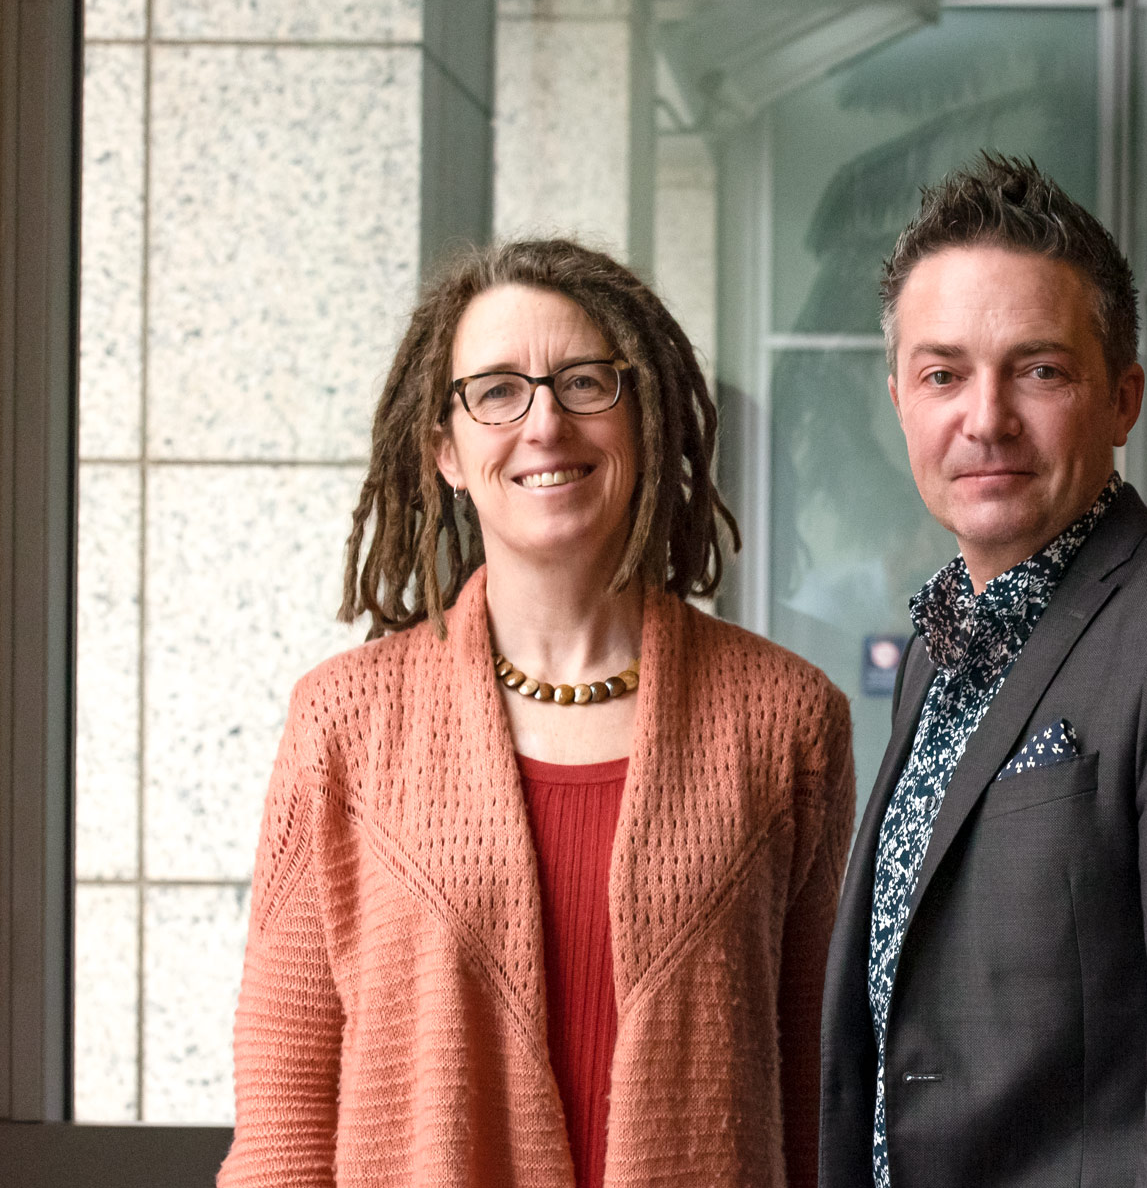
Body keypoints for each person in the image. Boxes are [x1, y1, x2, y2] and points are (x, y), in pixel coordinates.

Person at [220, 239, 854, 1188]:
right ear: (446, 450)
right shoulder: (343, 723)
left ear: (642, 419)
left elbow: (814, 1081)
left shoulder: (786, 719)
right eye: (498, 391)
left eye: (584, 382)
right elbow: (286, 1097)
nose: (545, 422)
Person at [817, 154, 1147, 1188]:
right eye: (944, 373)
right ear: (899, 401)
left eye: (1040, 369)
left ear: (1122, 397)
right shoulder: (938, 650)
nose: (986, 418)